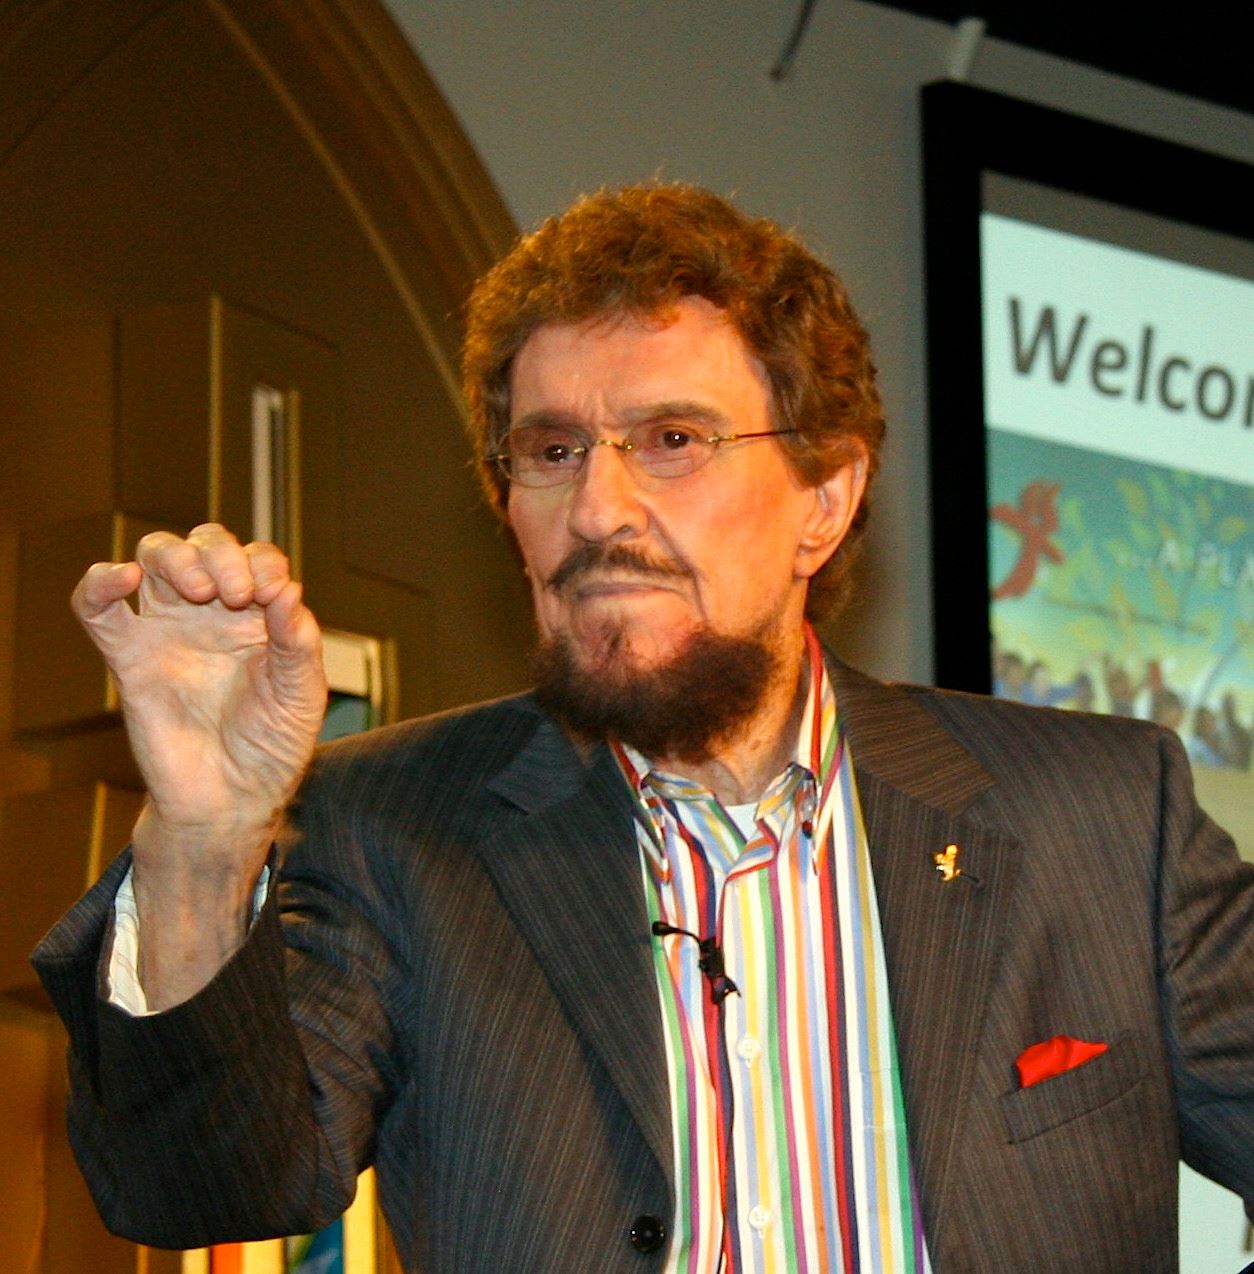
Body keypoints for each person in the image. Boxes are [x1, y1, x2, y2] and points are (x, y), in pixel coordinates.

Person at [33, 184, 1254, 1273]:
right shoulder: (397, 827)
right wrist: (203, 835)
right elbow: (196, 1186)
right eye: (552, 450)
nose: (598, 506)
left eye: (673, 440)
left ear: (825, 499)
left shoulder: (1102, 816)